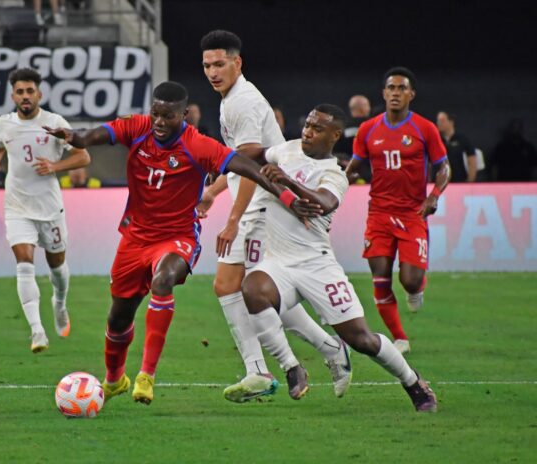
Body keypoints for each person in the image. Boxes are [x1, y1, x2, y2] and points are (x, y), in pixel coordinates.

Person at [44, 81, 314, 405]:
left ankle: (146, 376)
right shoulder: (138, 127)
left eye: (168, 116)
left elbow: (249, 168)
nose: (159, 122)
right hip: (135, 238)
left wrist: (287, 196)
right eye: (155, 114)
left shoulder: (198, 145)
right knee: (118, 317)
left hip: (177, 237)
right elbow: (96, 135)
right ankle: (115, 379)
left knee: (163, 280)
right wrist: (77, 138)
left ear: (184, 115)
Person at [243, 103, 437, 412]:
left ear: (334, 135)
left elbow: (325, 202)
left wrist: (288, 182)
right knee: (252, 289)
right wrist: (221, 158)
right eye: (307, 124)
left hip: (317, 266)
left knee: (362, 340)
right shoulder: (287, 149)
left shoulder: (334, 174)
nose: (308, 131)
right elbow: (255, 153)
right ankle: (292, 367)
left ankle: (413, 382)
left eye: (317, 128)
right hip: (278, 262)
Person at [197, 29, 352, 403]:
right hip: (257, 203)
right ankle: (322, 351)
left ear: (237, 63)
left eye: (219, 64)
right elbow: (238, 163)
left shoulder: (243, 103)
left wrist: (233, 219)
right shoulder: (231, 99)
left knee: (250, 289)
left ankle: (269, 368)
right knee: (237, 288)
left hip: (263, 208)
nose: (213, 72)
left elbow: (252, 166)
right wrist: (214, 192)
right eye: (206, 66)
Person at [0, 67, 91, 353]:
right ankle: (37, 331)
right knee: (24, 263)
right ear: (13, 96)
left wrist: (55, 166)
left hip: (49, 208)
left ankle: (59, 303)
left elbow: (83, 156)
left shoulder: (54, 123)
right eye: (20, 92)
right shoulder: (5, 124)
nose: (25, 96)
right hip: (17, 206)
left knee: (57, 267)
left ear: (39, 94)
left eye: (30, 91)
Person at [345, 67, 451, 354]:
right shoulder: (368, 129)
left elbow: (443, 167)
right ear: (383, 93)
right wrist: (338, 182)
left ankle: (416, 289)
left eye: (401, 88)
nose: (395, 93)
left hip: (412, 214)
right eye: (391, 88)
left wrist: (434, 195)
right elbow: (354, 167)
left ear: (411, 94)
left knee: (410, 280)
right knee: (380, 275)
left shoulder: (424, 128)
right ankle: (400, 338)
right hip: (379, 213)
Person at [333, 95, 372, 183]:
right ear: (363, 108)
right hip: (369, 173)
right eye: (368, 106)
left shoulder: (341, 127)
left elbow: (334, 150)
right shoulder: (373, 126)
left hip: (346, 173)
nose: (369, 109)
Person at [436, 111, 478, 182]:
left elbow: (472, 161)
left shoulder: (462, 140)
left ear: (451, 122)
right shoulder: (435, 140)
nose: (439, 123)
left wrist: (470, 181)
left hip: (459, 180)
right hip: (438, 181)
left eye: (442, 121)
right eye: (438, 121)